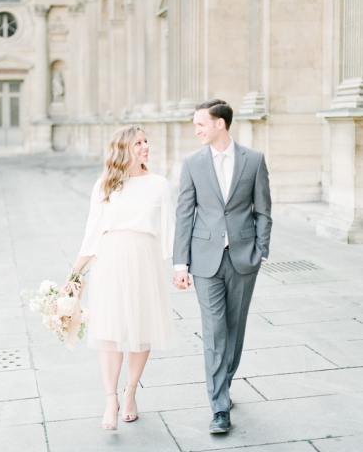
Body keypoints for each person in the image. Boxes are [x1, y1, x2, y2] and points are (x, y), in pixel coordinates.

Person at [172, 99, 271, 434]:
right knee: (214, 332)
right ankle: (219, 408)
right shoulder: (192, 163)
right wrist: (180, 263)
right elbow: (184, 213)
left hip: (243, 258)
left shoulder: (254, 160)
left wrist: (262, 251)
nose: (197, 130)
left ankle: (223, 383)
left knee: (234, 329)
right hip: (204, 260)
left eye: (201, 124)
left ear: (220, 124)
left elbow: (263, 211)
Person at [71, 125, 176, 431]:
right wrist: (73, 274)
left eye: (146, 141)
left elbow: (170, 229)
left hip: (145, 257)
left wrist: (180, 268)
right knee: (110, 331)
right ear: (123, 149)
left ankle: (130, 391)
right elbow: (92, 232)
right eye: (138, 143)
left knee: (141, 329)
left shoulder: (159, 184)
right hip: (111, 258)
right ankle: (110, 400)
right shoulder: (105, 185)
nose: (145, 146)